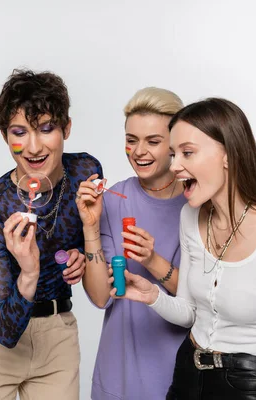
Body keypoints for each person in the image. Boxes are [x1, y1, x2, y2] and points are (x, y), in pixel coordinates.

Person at [110, 98, 256, 400]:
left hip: (250, 384)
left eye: (187, 152)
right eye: (173, 154)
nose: (174, 166)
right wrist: (152, 296)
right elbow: (190, 313)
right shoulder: (190, 216)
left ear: (228, 154)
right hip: (187, 373)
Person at [0, 69, 102, 400]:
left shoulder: (85, 171)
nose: (33, 147)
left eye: (46, 129)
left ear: (67, 127)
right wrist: (29, 272)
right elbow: (5, 332)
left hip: (57, 335)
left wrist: (80, 252)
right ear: (6, 136)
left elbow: (78, 230)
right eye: (20, 132)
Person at [75, 87, 189, 400]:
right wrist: (91, 226)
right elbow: (101, 298)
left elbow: (204, 299)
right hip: (118, 371)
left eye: (153, 141)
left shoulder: (197, 203)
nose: (139, 151)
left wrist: (153, 260)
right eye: (131, 140)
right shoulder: (112, 200)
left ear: (175, 144)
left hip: (178, 373)